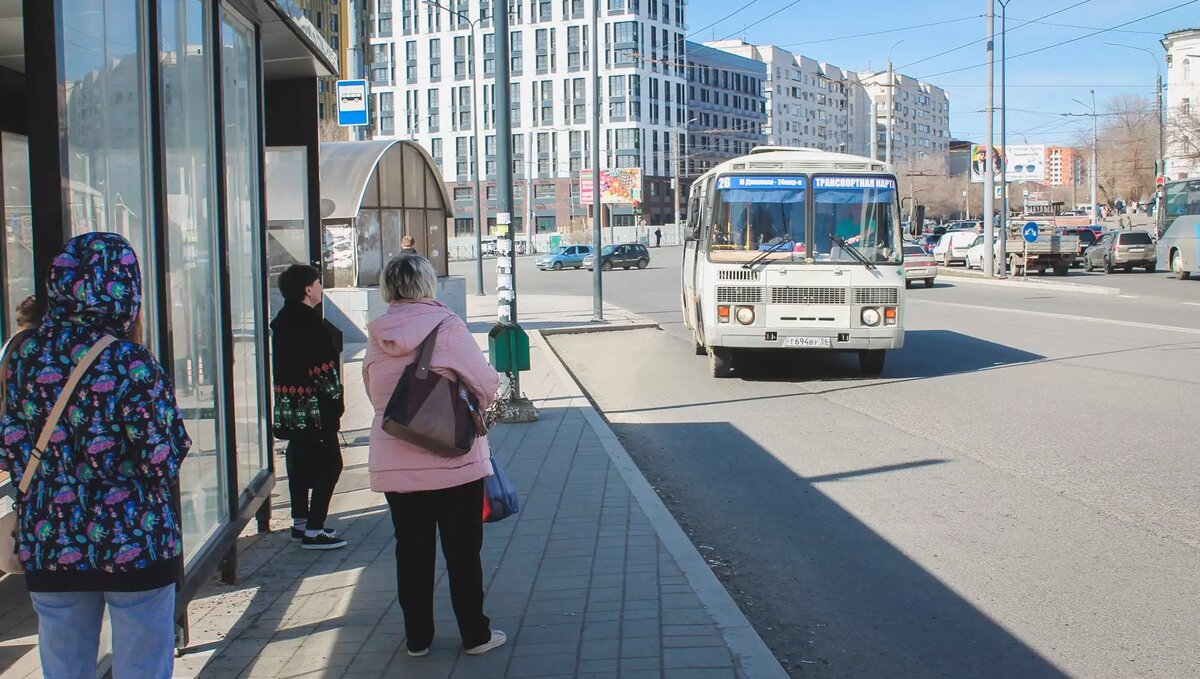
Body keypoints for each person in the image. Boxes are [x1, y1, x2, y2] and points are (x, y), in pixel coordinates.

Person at [0, 233, 190, 678]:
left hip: (51, 538)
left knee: (64, 666)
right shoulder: (128, 360)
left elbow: (8, 443)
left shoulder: (22, 354)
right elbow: (161, 455)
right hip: (135, 539)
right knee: (143, 664)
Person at [364, 254, 506, 658]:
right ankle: (476, 636)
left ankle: (418, 639)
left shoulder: (377, 334)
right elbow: (486, 382)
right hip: (453, 460)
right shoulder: (446, 326)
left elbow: (376, 394)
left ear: (388, 289)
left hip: (396, 462)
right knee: (463, 553)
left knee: (411, 551)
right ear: (427, 284)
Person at [270, 265, 347, 550]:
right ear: (307, 289)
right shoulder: (310, 325)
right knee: (331, 464)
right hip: (315, 408)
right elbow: (323, 370)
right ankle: (315, 530)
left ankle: (300, 521)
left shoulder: (282, 321)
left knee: (299, 460)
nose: (320, 288)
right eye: (318, 282)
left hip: (290, 405)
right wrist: (336, 401)